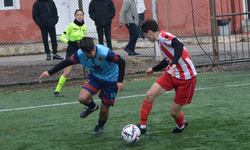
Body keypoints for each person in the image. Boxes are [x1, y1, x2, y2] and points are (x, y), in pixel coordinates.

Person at [39, 37, 125, 135]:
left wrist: (120, 81)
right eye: (89, 52)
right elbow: (66, 62)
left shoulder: (105, 53)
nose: (92, 54)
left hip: (111, 80)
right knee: (82, 98)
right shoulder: (79, 55)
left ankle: (99, 126)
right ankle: (92, 107)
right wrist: (49, 72)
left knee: (104, 110)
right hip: (95, 77)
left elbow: (121, 62)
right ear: (83, 51)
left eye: (93, 50)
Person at [138, 19, 197, 135]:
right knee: (149, 95)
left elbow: (179, 45)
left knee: (174, 112)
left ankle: (181, 125)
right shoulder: (160, 41)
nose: (146, 38)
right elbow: (167, 60)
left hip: (186, 77)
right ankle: (142, 127)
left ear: (149, 32)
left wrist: (174, 63)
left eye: (145, 35)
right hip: (172, 74)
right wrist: (153, 69)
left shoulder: (164, 37)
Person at [53, 9, 87, 97]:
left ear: (83, 16)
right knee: (67, 72)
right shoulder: (71, 26)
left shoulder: (85, 27)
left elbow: (84, 38)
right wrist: (69, 42)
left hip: (81, 50)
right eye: (78, 15)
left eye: (81, 15)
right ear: (75, 16)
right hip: (72, 49)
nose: (80, 16)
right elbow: (62, 37)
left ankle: (92, 88)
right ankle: (57, 91)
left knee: (90, 68)